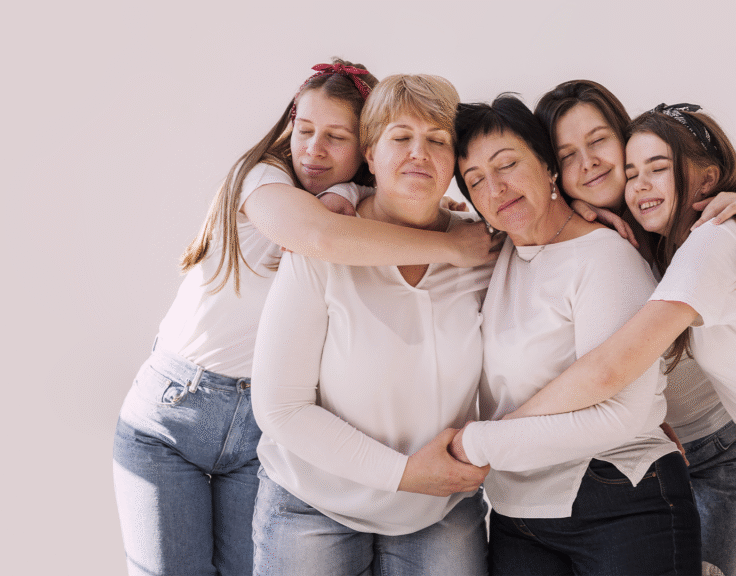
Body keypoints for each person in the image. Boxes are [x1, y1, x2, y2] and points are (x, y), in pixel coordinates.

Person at [111, 60, 500, 576]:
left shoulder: (346, 206)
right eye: (305, 130)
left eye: (336, 137)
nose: (315, 149)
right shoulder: (268, 182)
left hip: (257, 428)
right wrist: (451, 246)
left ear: (361, 150)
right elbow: (319, 237)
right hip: (178, 403)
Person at [250, 73, 492, 576]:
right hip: (312, 502)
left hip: (439, 507)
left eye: (437, 140)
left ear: (455, 161)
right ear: (370, 155)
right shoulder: (322, 244)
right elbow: (279, 408)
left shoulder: (484, 250)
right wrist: (403, 473)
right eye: (401, 137)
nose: (419, 153)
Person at [449, 94, 700, 574]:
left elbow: (620, 415)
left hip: (620, 496)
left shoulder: (606, 256)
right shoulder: (491, 256)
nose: (496, 188)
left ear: (548, 167)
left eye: (507, 165)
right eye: (476, 180)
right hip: (517, 512)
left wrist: (479, 444)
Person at [517, 82, 736, 576]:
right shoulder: (577, 236)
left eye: (599, 141)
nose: (589, 163)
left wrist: (505, 432)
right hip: (642, 457)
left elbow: (612, 366)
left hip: (715, 442)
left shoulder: (702, 228)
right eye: (567, 155)